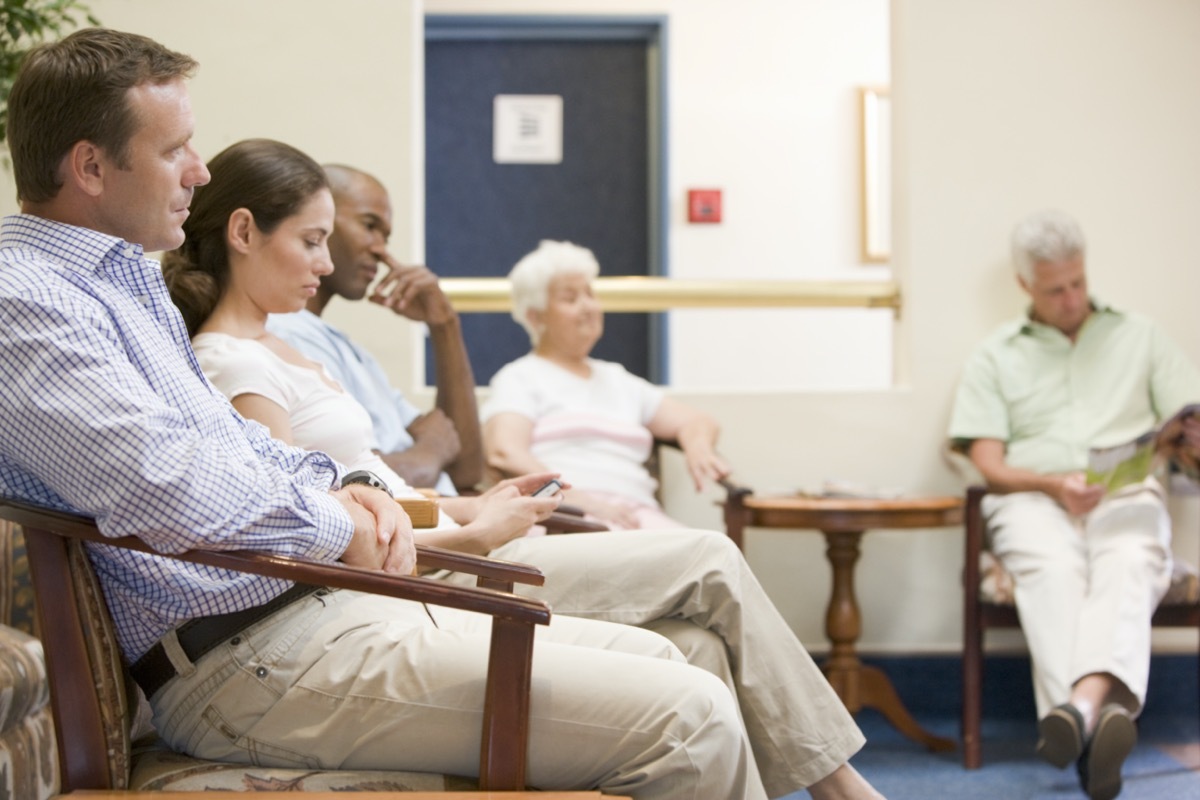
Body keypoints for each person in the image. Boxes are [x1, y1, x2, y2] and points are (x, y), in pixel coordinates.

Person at [0, 28, 889, 800]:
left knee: (683, 662)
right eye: (174, 150)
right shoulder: (28, 299)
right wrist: (343, 517)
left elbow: (233, 449)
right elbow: (170, 485)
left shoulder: (116, 283)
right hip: (241, 659)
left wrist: (348, 489)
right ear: (89, 166)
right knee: (690, 714)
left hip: (298, 609)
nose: (197, 168)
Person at [163, 139, 884, 800]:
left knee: (693, 643)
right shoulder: (234, 361)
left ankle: (829, 781)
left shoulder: (292, 350)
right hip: (372, 593)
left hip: (411, 558)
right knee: (706, 564)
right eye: (312, 241)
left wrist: (469, 509)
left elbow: (359, 493)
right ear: (245, 233)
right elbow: (305, 541)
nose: (325, 264)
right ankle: (838, 785)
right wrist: (474, 534)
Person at [947, 209, 1200, 800]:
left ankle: (1079, 713)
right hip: (1034, 499)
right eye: (1055, 289)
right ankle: (1098, 731)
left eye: (1078, 282)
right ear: (1024, 286)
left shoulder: (1140, 336)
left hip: (1124, 492)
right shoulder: (994, 356)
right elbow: (988, 461)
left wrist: (1187, 441)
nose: (1071, 298)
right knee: (1054, 571)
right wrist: (1051, 485)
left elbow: (1186, 424)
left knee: (1132, 557)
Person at [483, 239, 731, 529]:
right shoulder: (521, 377)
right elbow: (504, 451)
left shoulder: (618, 379)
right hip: (565, 519)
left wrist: (697, 443)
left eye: (589, 293)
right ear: (535, 317)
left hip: (635, 515)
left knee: (716, 552)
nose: (588, 306)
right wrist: (581, 500)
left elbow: (697, 420)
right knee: (707, 556)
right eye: (570, 298)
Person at [266, 163, 481, 496]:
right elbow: (348, 478)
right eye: (370, 225)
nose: (382, 249)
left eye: (386, 236)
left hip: (452, 523)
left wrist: (444, 325)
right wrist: (430, 452)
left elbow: (466, 469)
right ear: (320, 221)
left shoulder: (347, 348)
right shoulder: (284, 333)